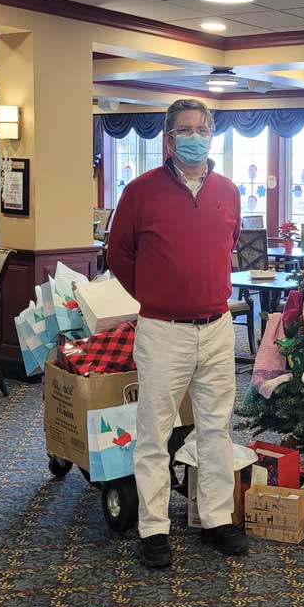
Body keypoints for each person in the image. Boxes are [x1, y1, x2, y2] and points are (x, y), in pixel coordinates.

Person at [107, 98, 248, 567]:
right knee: (155, 433)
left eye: (202, 129)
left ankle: (217, 518)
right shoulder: (140, 192)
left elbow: (227, 244)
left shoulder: (228, 191)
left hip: (218, 328)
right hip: (162, 331)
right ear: (168, 138)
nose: (194, 137)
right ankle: (153, 528)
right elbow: (118, 254)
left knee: (216, 429)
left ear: (212, 135)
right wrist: (154, 294)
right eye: (184, 130)